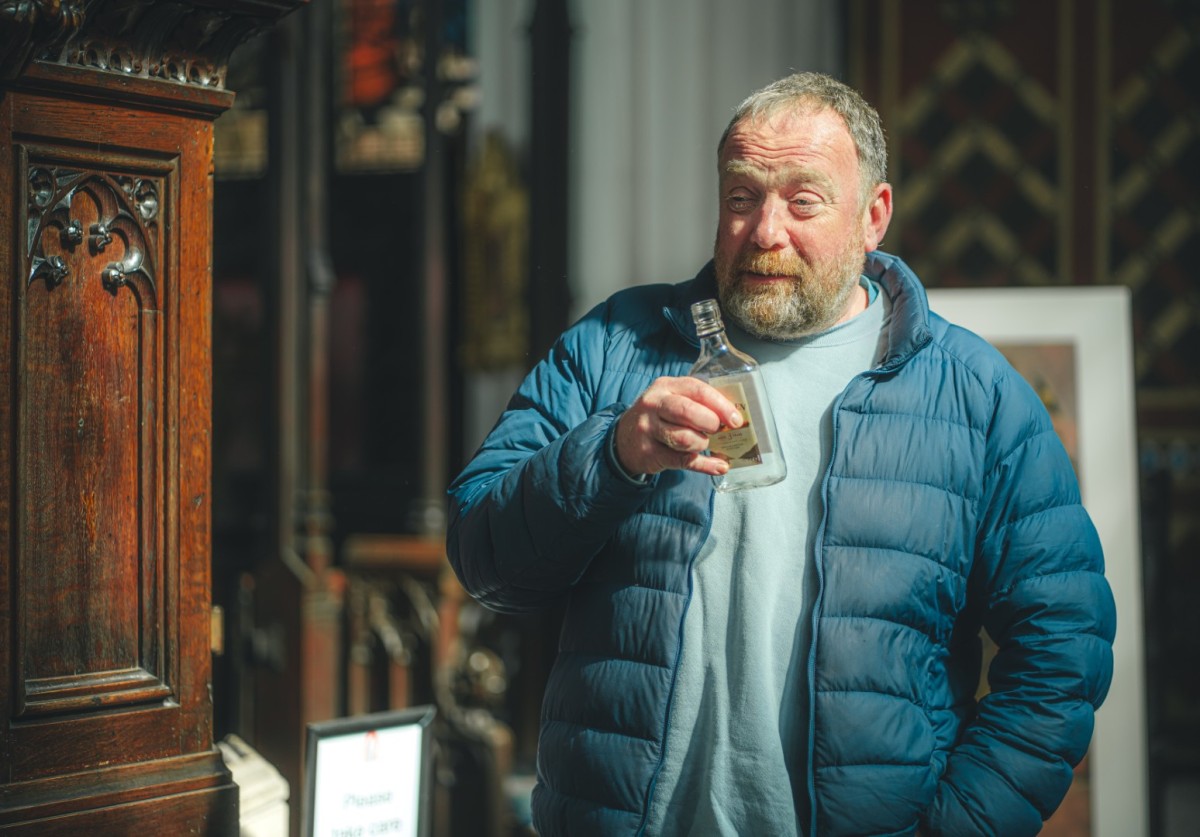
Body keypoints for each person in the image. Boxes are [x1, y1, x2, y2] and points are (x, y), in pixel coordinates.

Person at [446, 72, 1116, 836]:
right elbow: (482, 554)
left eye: (803, 201)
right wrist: (612, 454)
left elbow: (1063, 652)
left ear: (873, 216)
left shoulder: (974, 394)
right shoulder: (614, 346)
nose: (765, 230)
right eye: (741, 198)